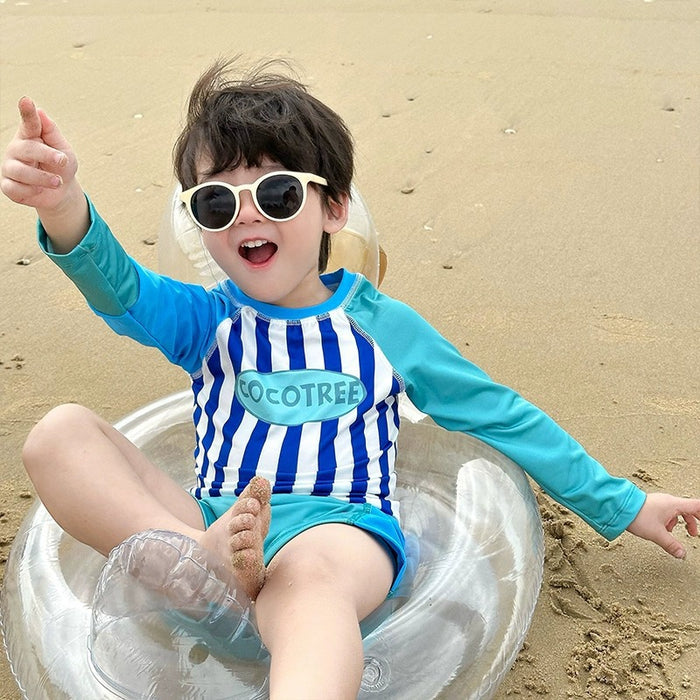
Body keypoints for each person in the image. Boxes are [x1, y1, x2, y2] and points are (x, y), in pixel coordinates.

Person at [2, 59, 698, 700]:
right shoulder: (207, 320)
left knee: (308, 585)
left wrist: (624, 504)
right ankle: (188, 560)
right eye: (217, 204)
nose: (247, 214)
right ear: (199, 227)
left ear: (334, 207)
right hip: (214, 527)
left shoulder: (383, 327)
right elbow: (119, 287)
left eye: (277, 193)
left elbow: (498, 413)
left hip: (336, 531)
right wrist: (62, 204)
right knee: (59, 435)